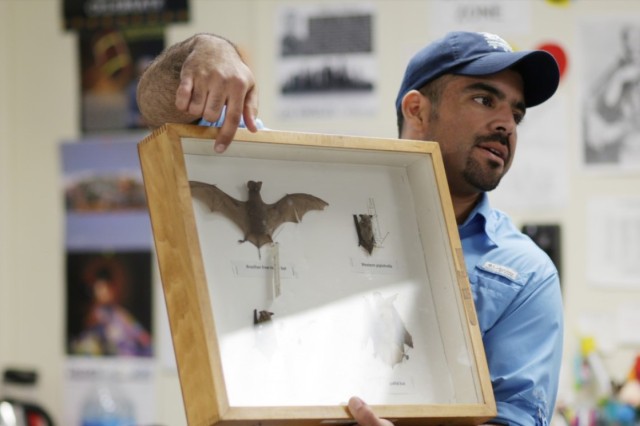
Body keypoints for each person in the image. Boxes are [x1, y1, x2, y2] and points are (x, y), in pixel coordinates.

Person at [137, 31, 564, 425]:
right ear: (417, 109)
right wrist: (209, 52)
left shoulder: (525, 272)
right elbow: (157, 106)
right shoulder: (317, 186)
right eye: (485, 100)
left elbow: (518, 418)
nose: (506, 125)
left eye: (517, 113)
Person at [583, 25, 640, 165]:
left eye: (636, 46)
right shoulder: (620, 68)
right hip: (618, 143)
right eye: (628, 47)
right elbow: (598, 100)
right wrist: (619, 78)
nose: (632, 52)